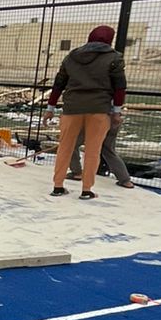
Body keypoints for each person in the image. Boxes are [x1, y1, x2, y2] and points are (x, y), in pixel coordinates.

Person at [45, 25, 127, 199]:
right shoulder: (114, 58)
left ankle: (58, 186)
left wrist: (50, 108)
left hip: (71, 108)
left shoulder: (71, 57)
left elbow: (59, 84)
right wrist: (116, 111)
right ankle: (86, 189)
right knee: (93, 150)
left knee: (65, 147)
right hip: (99, 109)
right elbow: (120, 88)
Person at [69, 110, 134, 189]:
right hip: (112, 117)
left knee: (71, 144)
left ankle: (76, 172)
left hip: (93, 117)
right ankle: (125, 180)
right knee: (108, 150)